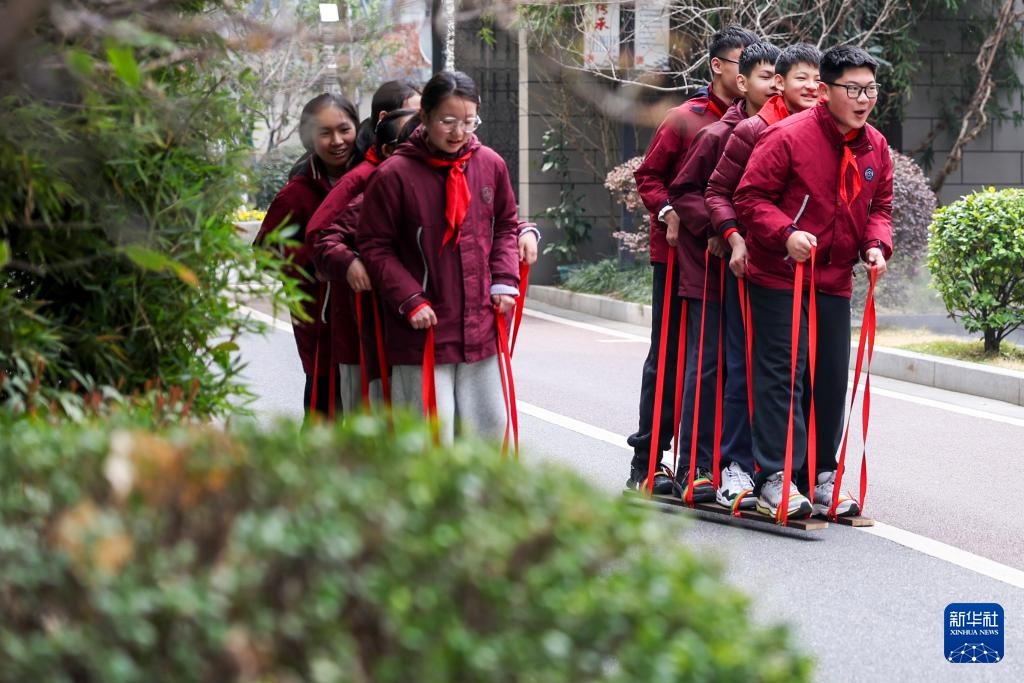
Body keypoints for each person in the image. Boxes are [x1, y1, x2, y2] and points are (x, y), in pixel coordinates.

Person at [733, 45, 893, 519]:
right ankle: (775, 477)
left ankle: (824, 475)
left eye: (871, 90)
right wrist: (786, 233)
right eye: (853, 89)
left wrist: (875, 245)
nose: (863, 99)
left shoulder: (875, 146)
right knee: (783, 376)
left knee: (829, 377)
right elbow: (750, 197)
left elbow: (879, 208)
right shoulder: (787, 136)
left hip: (834, 280)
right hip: (781, 275)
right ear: (825, 91)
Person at [626, 25, 758, 495]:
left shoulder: (763, 120)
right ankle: (647, 459)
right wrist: (668, 212)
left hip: (728, 256)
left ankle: (705, 463)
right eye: (740, 61)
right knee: (669, 356)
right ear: (718, 67)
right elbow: (651, 178)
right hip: (676, 255)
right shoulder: (685, 118)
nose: (749, 73)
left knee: (720, 360)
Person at [356, 70, 521, 444]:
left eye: (468, 121)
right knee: (429, 440)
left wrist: (504, 280)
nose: (459, 132)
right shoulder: (394, 174)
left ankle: (486, 505)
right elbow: (373, 245)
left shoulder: (490, 164)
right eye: (448, 121)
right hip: (421, 331)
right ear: (426, 116)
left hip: (480, 325)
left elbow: (507, 225)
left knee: (489, 433)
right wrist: (410, 299)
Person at [699, 43, 821, 506]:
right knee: (743, 369)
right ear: (778, 84)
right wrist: (735, 238)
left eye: (816, 80)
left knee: (794, 375)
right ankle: (735, 466)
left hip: (803, 274)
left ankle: (795, 471)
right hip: (751, 267)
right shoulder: (753, 130)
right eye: (796, 78)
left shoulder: (824, 132)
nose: (808, 88)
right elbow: (718, 192)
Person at [665, 41, 781, 508]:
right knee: (711, 365)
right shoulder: (717, 133)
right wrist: (720, 228)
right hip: (713, 267)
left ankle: (752, 466)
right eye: (766, 75)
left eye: (780, 75)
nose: (774, 84)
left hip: (761, 269)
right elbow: (685, 190)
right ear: (743, 80)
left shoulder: (785, 131)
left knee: (753, 368)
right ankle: (695, 465)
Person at [307, 108, 419, 412]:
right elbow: (321, 238)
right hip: (365, 325)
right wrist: (351, 264)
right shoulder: (369, 181)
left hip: (411, 329)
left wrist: (524, 230)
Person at [254, 93, 359, 416]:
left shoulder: (375, 178)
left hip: (367, 323)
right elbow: (266, 252)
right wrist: (319, 263)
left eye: (344, 129)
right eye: (325, 133)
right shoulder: (296, 194)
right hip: (321, 327)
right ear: (308, 137)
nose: (337, 141)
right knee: (324, 415)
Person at [353, 79, 423, 160]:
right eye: (414, 114)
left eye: (423, 113)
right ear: (384, 118)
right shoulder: (372, 170)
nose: (422, 121)